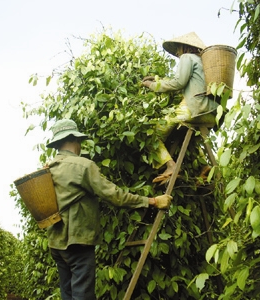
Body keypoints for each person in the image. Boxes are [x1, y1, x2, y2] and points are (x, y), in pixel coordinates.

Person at [45, 119, 172, 300]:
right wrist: (152, 201)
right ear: (74, 140)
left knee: (68, 294)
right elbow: (115, 196)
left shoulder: (47, 169)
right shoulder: (83, 166)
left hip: (56, 244)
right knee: (82, 296)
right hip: (78, 242)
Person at [142, 32, 220, 184]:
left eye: (178, 49)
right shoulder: (205, 63)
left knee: (151, 134)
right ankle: (204, 166)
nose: (177, 53)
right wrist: (160, 80)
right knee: (186, 135)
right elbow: (188, 83)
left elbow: (178, 83)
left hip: (194, 109)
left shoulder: (187, 57)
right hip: (211, 113)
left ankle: (170, 166)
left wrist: (153, 85)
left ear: (185, 47)